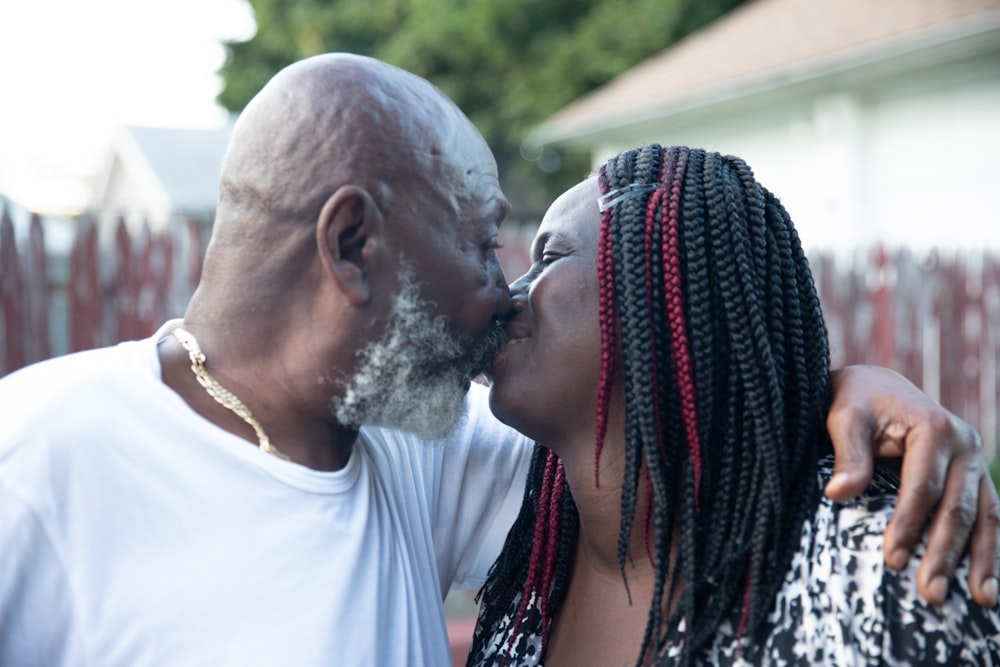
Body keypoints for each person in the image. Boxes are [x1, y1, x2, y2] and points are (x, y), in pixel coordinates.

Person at [0, 55, 992, 666]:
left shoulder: (422, 455)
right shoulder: (36, 457)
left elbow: (691, 433)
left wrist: (848, 386)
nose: (502, 289)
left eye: (529, 252)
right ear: (353, 246)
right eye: (481, 243)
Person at [470, 144, 1000, 666]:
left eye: (551, 256)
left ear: (666, 288)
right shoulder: (530, 576)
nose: (510, 294)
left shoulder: (880, 565)